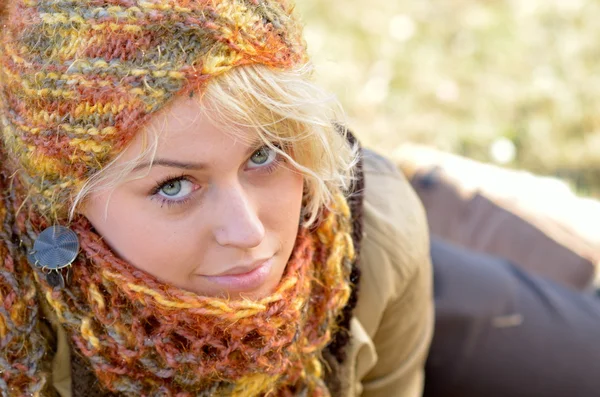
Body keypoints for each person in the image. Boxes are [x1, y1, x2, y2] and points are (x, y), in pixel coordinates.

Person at [0, 1, 433, 396]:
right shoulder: (14, 307)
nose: (247, 232)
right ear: (66, 202)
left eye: (264, 155)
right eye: (174, 186)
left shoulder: (376, 234)